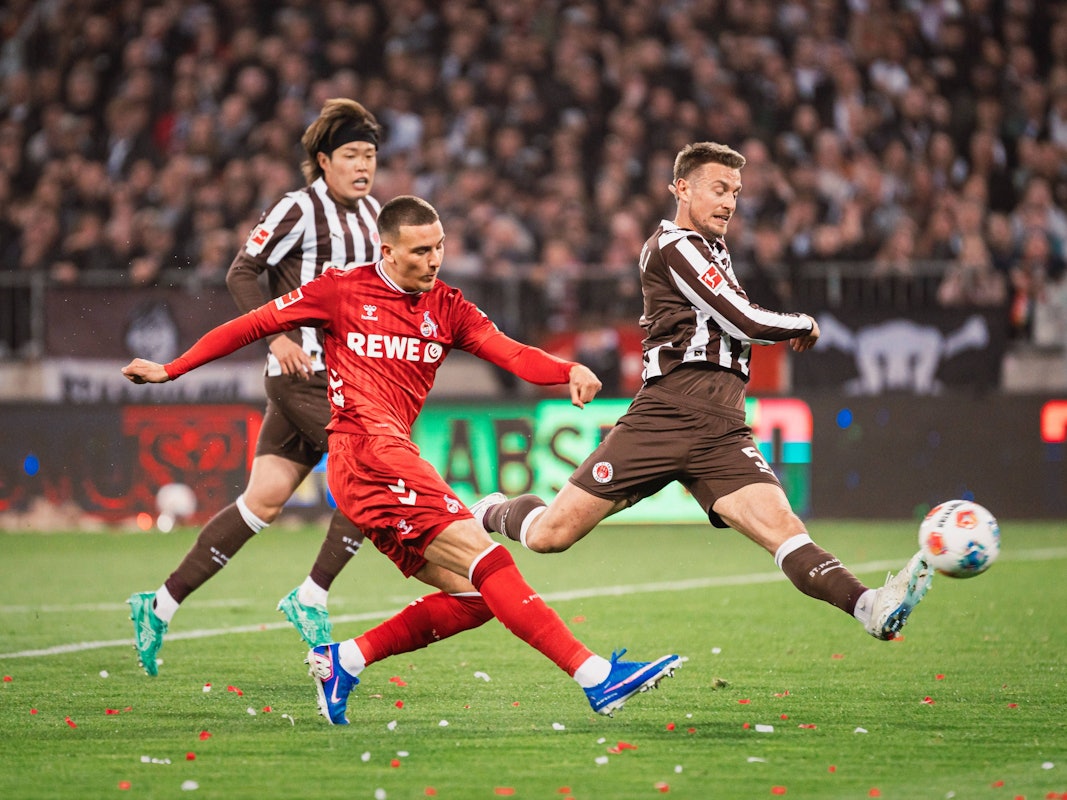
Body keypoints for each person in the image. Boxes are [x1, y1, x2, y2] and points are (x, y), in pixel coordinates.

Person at [122, 195, 681, 723]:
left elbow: (508, 351)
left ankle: (346, 661)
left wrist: (567, 371)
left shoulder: (448, 307)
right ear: (386, 250)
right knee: (491, 563)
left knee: (474, 595)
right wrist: (172, 369)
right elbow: (253, 323)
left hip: (387, 464)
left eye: (438, 246)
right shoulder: (341, 290)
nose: (433, 259)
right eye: (420, 250)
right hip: (366, 454)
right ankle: (595, 676)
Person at [472, 142, 933, 643]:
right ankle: (490, 511)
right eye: (718, 189)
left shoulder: (714, 251)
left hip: (722, 427)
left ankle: (870, 606)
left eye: (735, 192)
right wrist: (800, 321)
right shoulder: (674, 246)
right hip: (667, 415)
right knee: (549, 536)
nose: (729, 202)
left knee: (783, 527)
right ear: (682, 188)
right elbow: (744, 318)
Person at [128, 98, 384, 676]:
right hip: (303, 375)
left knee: (262, 501)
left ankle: (158, 605)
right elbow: (242, 271)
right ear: (324, 160)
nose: (363, 165)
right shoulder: (298, 209)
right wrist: (278, 339)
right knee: (376, 474)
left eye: (370, 155)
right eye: (351, 155)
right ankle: (312, 594)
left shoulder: (374, 216)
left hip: (347, 376)